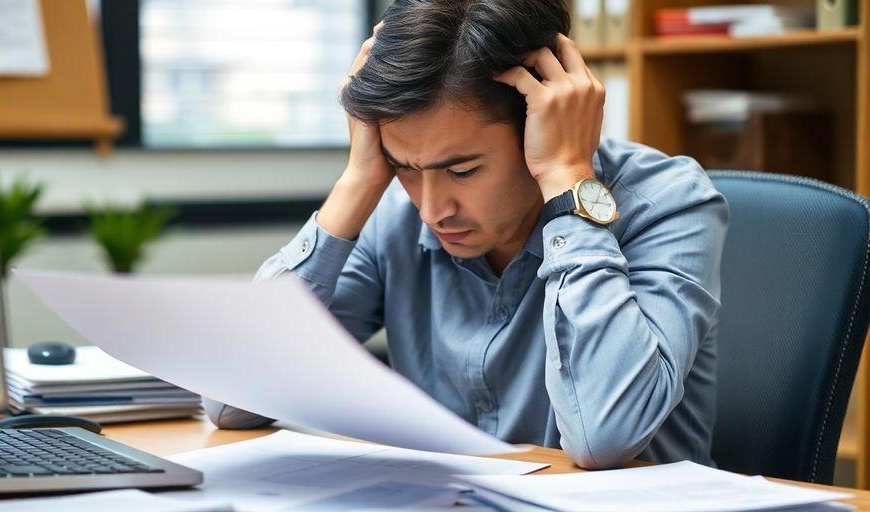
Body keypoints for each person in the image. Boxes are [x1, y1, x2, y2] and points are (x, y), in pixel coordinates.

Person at [205, 0, 729, 470]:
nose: (432, 209)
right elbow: (231, 402)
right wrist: (359, 180)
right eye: (405, 166)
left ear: (539, 124)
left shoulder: (667, 202)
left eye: (462, 171)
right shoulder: (393, 209)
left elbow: (603, 437)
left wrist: (568, 179)